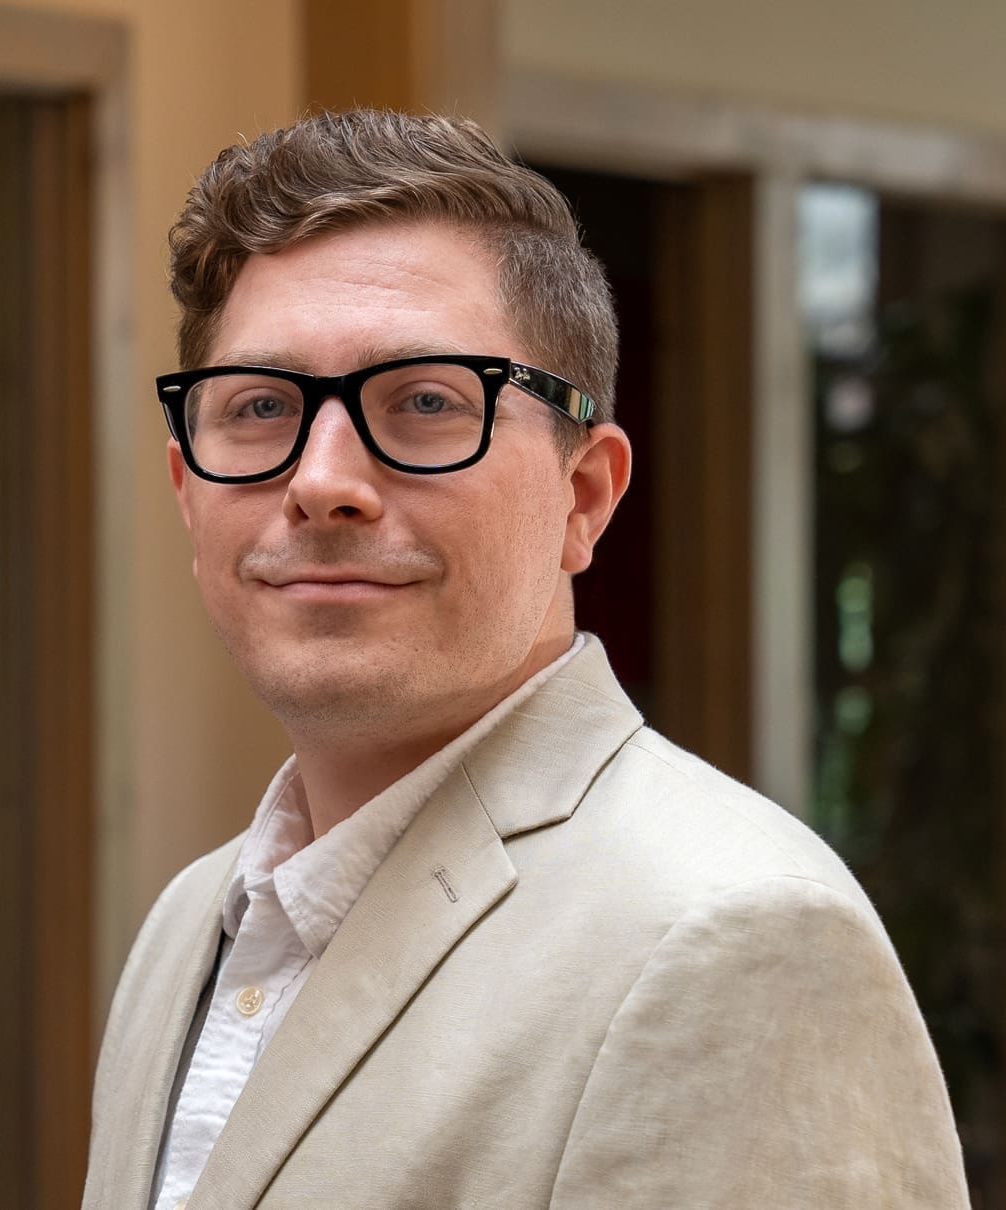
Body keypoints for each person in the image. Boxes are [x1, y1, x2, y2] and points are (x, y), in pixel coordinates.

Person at [82, 109, 968, 1210]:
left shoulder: (733, 934)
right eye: (260, 407)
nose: (320, 478)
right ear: (187, 488)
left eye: (423, 402)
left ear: (583, 497)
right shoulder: (189, 923)